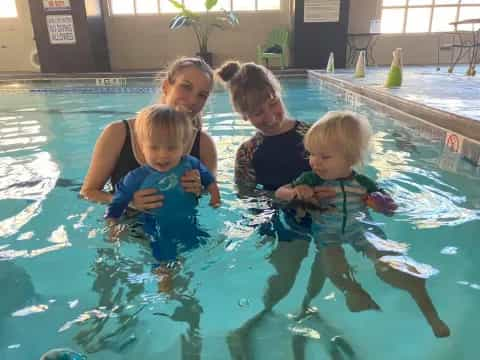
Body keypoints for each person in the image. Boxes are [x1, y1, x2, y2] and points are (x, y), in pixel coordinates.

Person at [216, 61, 354, 358]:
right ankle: (256, 318)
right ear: (243, 116)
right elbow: (246, 194)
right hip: (281, 221)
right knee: (284, 274)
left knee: (324, 267)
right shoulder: (248, 151)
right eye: (257, 113)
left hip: (321, 217)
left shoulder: (311, 134)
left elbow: (340, 170)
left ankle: (307, 309)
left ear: (278, 93)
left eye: (272, 103)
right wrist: (277, 203)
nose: (269, 116)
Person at [276, 110, 450, 338]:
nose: (314, 162)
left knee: (391, 265)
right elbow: (280, 193)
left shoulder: (363, 183)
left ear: (351, 158)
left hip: (362, 230)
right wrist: (297, 192)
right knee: (334, 266)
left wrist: (382, 205)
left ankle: (429, 312)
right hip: (328, 234)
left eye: (324, 157)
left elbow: (391, 208)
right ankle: (354, 292)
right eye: (311, 154)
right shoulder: (309, 179)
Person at [106, 104, 220, 289]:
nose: (163, 155)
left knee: (196, 242)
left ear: (183, 146)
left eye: (171, 148)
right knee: (162, 250)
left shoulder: (190, 164)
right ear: (142, 147)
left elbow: (209, 180)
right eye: (154, 147)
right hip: (155, 222)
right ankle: (164, 279)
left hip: (185, 218)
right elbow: (119, 201)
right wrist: (112, 223)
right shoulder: (137, 177)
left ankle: (184, 274)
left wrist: (215, 198)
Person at [80, 57, 217, 211]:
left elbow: (211, 199)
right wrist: (128, 202)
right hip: (126, 229)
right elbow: (88, 192)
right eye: (186, 87)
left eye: (202, 95)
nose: (193, 100)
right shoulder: (118, 134)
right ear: (166, 86)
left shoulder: (204, 144)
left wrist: (200, 191)